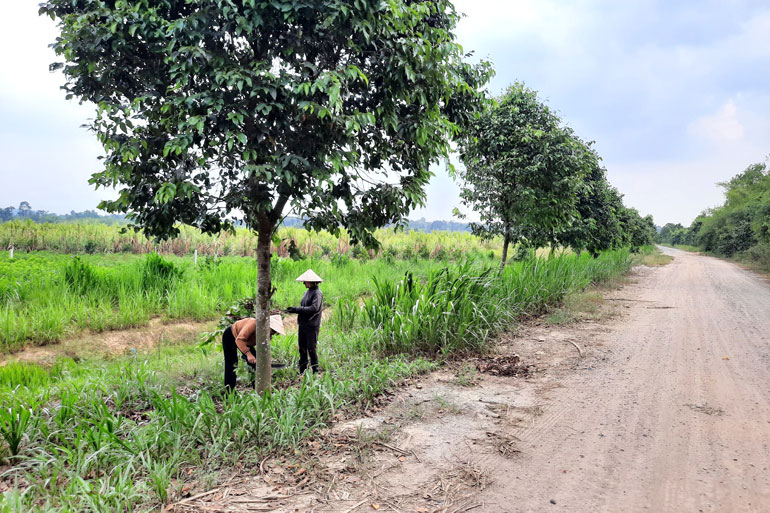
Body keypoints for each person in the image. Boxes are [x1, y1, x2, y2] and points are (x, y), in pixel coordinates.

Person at [222, 314, 285, 392]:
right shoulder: (253, 324)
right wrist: (248, 354)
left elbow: (262, 348)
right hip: (231, 336)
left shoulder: (267, 333)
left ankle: (258, 389)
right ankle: (229, 392)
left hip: (246, 342)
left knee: (255, 364)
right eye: (272, 331)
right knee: (232, 364)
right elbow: (239, 340)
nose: (273, 333)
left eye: (275, 332)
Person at [286, 269, 323, 374]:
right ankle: (302, 370)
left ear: (312, 281)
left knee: (311, 348)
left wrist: (297, 309)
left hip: (311, 325)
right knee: (302, 348)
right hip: (303, 324)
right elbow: (304, 307)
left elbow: (314, 308)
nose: (304, 283)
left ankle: (315, 370)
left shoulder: (317, 293)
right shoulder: (307, 292)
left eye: (306, 281)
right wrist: (294, 310)